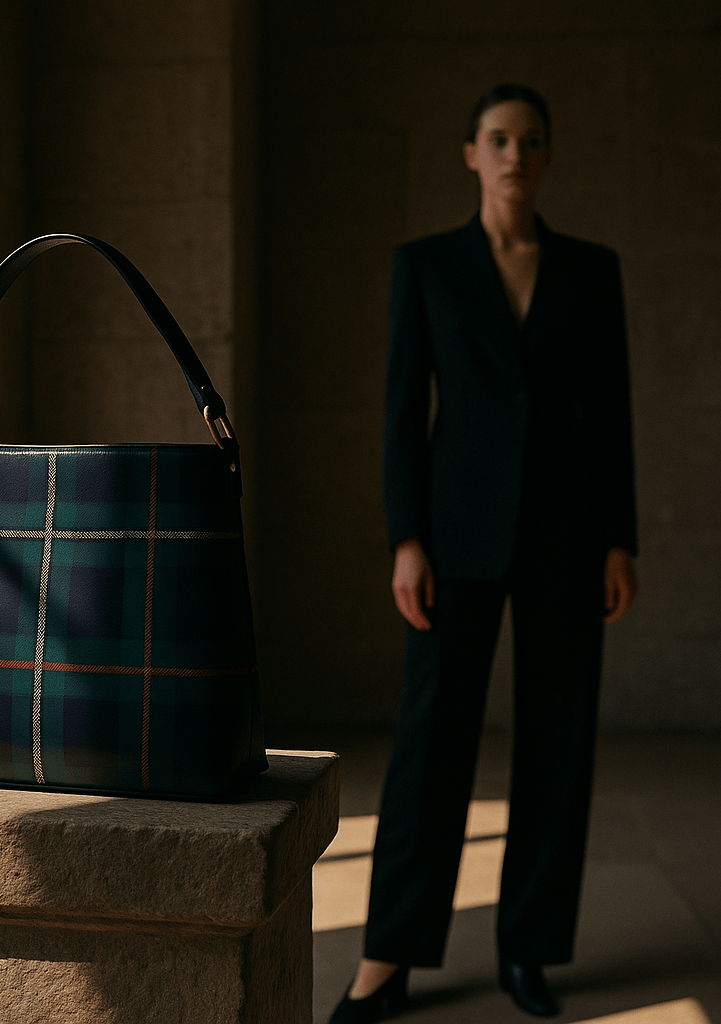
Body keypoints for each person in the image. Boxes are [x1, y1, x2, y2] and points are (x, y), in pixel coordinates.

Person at [329, 84, 638, 1023]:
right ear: (470, 152)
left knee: (558, 743)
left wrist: (619, 539)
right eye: (499, 139)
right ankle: (387, 956)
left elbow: (611, 416)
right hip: (453, 536)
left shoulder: (590, 271)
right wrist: (405, 538)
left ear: (547, 157)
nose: (515, 155)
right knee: (430, 750)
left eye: (531, 141)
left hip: (568, 538)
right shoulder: (425, 265)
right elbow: (400, 414)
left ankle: (528, 949)